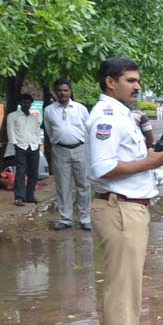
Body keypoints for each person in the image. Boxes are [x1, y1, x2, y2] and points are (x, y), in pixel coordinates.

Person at [87, 56, 163, 325]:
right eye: (130, 80)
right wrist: (148, 164)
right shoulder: (106, 116)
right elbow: (102, 167)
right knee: (121, 288)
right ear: (111, 81)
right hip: (119, 208)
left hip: (128, 207)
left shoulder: (122, 114)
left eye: (137, 80)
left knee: (128, 286)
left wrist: (147, 158)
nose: (137, 86)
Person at [43, 78, 92, 231]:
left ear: (70, 92)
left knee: (83, 185)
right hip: (60, 150)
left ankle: (85, 219)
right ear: (56, 92)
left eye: (65, 90)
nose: (62, 93)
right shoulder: (49, 110)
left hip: (80, 149)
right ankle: (65, 219)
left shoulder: (80, 109)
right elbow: (49, 130)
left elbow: (88, 131)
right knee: (62, 186)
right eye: (59, 90)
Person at [7, 94, 42, 206]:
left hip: (34, 146)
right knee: (20, 172)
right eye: (24, 102)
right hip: (21, 146)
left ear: (30, 104)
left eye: (28, 103)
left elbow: (37, 132)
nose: (26, 105)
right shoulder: (13, 116)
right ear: (20, 103)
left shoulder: (33, 118)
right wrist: (15, 144)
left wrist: (38, 143)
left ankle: (30, 196)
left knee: (33, 173)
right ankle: (19, 197)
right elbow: (11, 131)